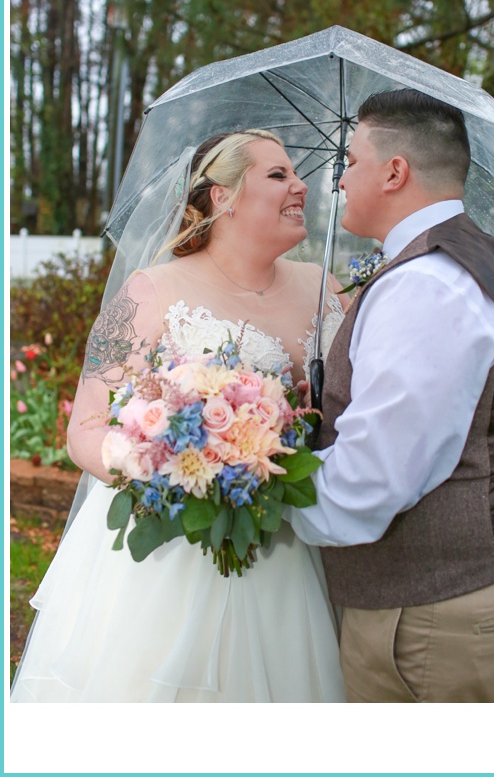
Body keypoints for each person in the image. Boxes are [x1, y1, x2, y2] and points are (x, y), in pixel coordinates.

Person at [10, 129, 346, 702]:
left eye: (296, 174)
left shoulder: (327, 291)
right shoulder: (150, 293)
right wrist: (174, 469)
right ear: (223, 196)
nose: (301, 186)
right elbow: (86, 428)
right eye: (278, 174)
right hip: (170, 553)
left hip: (293, 545)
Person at [288, 89, 494, 703]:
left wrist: (263, 492)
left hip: (433, 620)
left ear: (394, 171)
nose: (339, 180)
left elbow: (370, 483)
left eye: (349, 162)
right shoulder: (456, 253)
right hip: (449, 601)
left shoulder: (423, 287)